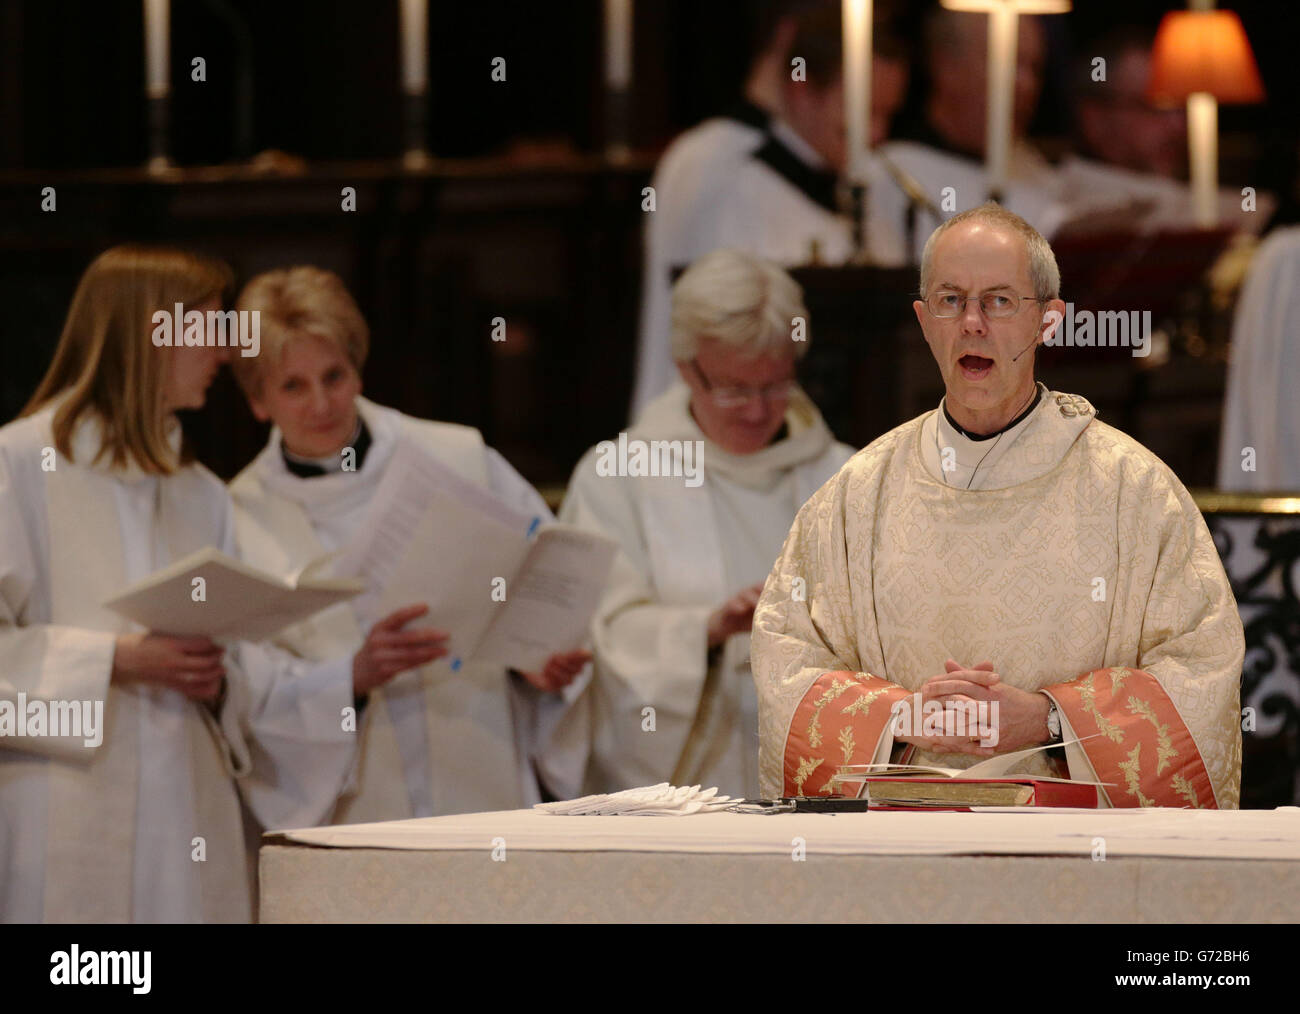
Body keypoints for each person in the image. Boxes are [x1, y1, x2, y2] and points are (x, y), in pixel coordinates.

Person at [0, 246, 443, 923]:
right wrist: (117, 660)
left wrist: (229, 680)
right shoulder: (22, 464)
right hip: (67, 820)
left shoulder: (200, 494)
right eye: (211, 330)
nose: (227, 353)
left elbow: (248, 677)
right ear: (153, 336)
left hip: (187, 820)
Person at [752, 204, 1245, 808]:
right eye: (950, 300)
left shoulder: (1134, 492)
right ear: (924, 320)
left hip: (1071, 853)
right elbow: (786, 654)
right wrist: (901, 719)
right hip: (897, 850)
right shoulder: (855, 495)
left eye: (1001, 301)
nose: (973, 324)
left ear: (1049, 321)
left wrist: (1047, 720)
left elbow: (1202, 668)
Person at [227, 266, 590, 822]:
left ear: (359, 371)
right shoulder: (239, 515)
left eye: (334, 375)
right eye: (293, 386)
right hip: (356, 807)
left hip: (481, 774)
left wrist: (536, 666)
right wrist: (350, 677)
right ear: (257, 401)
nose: (321, 404)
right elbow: (250, 688)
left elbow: (545, 574)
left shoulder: (455, 456)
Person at [563, 249, 855, 798]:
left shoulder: (845, 473)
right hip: (679, 784)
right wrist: (706, 628)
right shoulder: (620, 474)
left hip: (819, 777)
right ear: (684, 367)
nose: (754, 410)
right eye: (733, 388)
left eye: (773, 386)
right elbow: (594, 638)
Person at [631, 0, 909, 419]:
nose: (874, 134)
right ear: (801, 89)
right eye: (864, 111)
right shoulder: (721, 169)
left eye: (887, 114)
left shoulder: (860, 182)